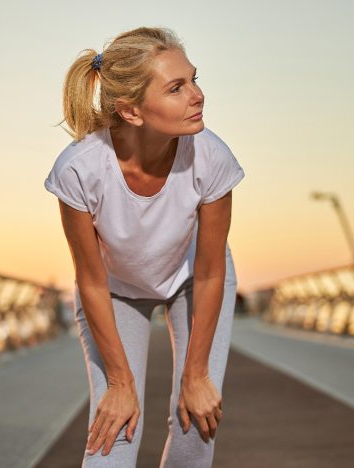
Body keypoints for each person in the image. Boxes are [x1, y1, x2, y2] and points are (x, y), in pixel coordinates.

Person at [43, 26, 245, 468]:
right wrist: (119, 382)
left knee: (195, 424)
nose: (198, 95)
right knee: (114, 432)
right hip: (113, 291)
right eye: (177, 88)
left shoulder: (212, 158)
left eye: (194, 79)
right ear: (131, 111)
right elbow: (91, 280)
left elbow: (211, 271)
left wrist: (196, 376)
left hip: (194, 281)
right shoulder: (80, 170)